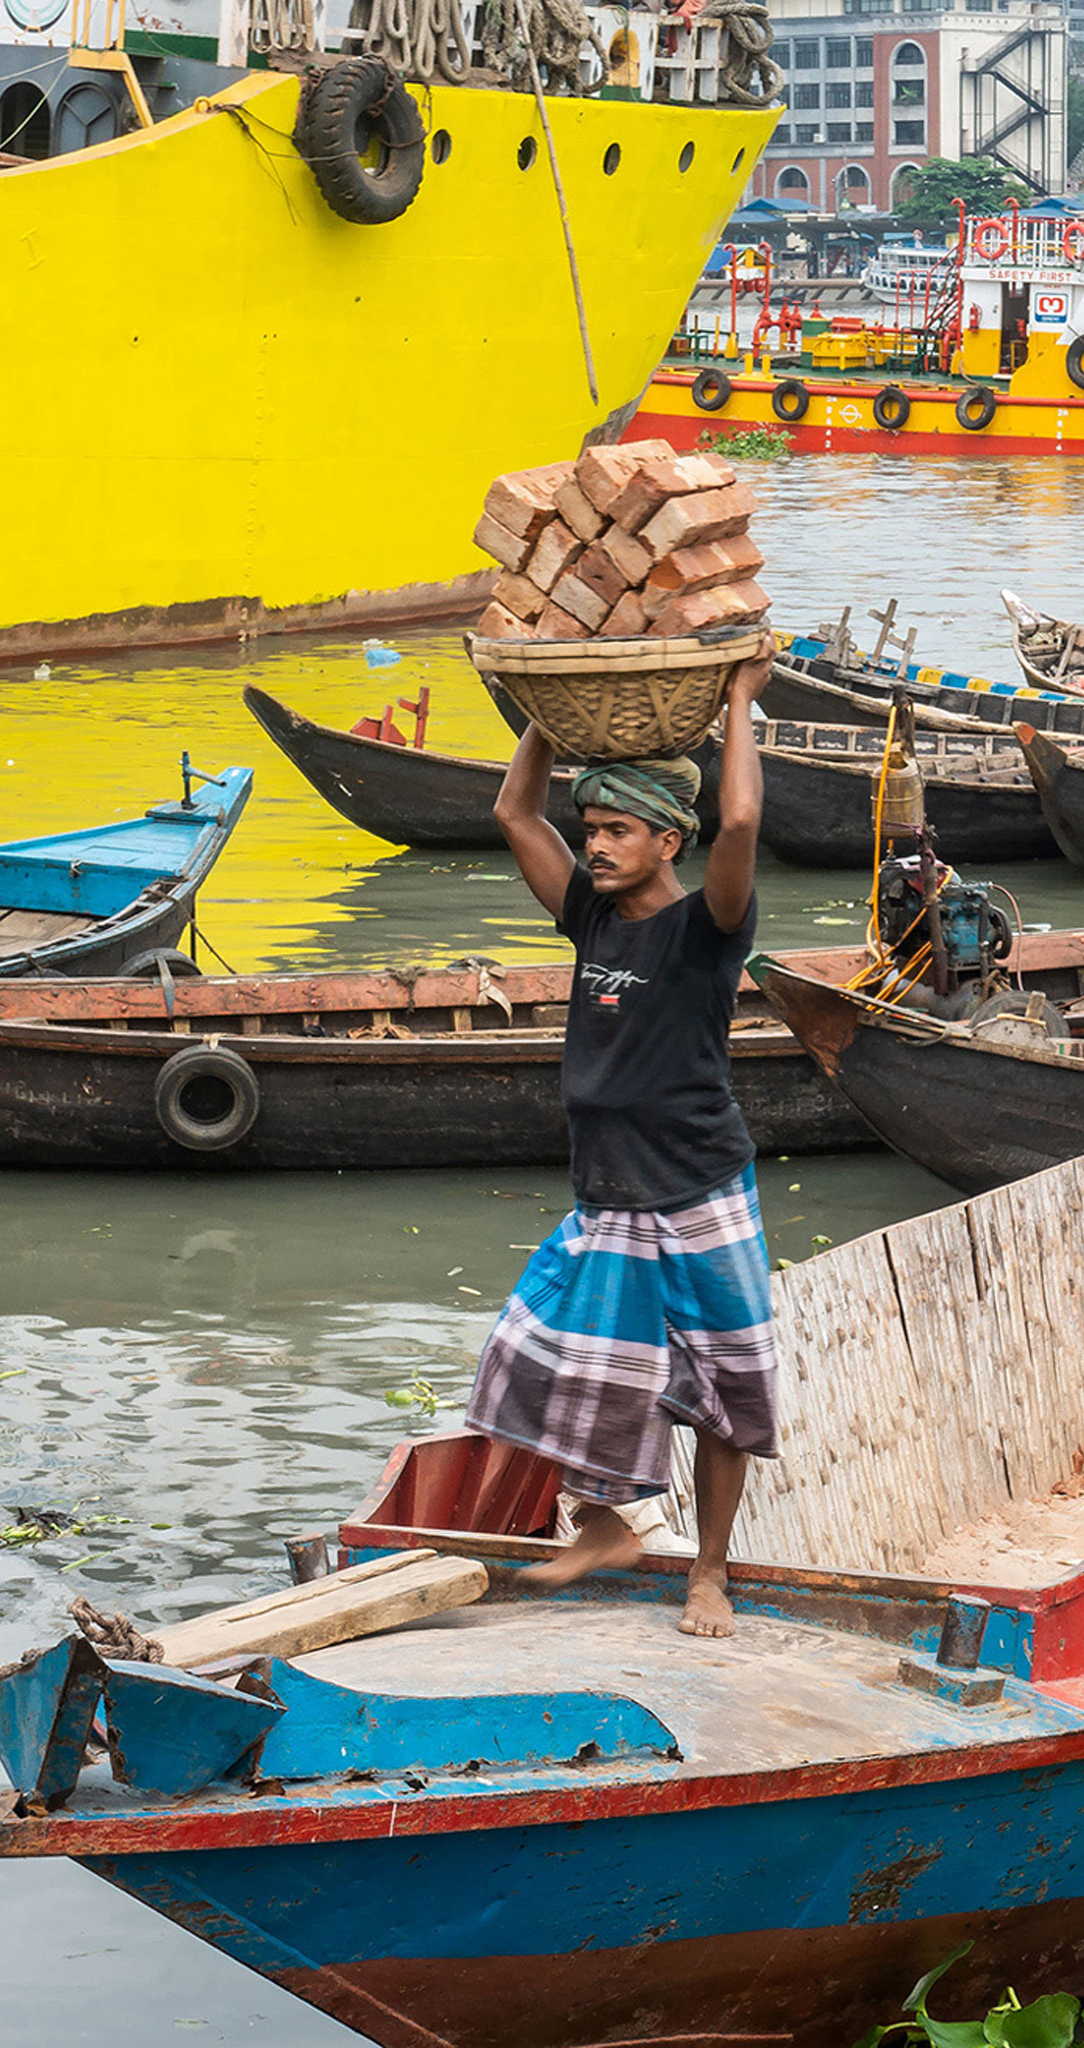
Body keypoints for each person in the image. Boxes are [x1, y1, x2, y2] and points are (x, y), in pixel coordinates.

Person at [465, 638, 779, 1639]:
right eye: (591, 828)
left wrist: (737, 700)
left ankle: (710, 1572)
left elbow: (738, 816)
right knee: (532, 1354)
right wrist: (553, 719)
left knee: (722, 1392)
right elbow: (513, 812)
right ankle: (603, 1519)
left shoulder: (704, 930)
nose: (593, 846)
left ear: (667, 841)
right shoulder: (587, 920)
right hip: (606, 1194)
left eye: (615, 831)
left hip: (696, 1186)